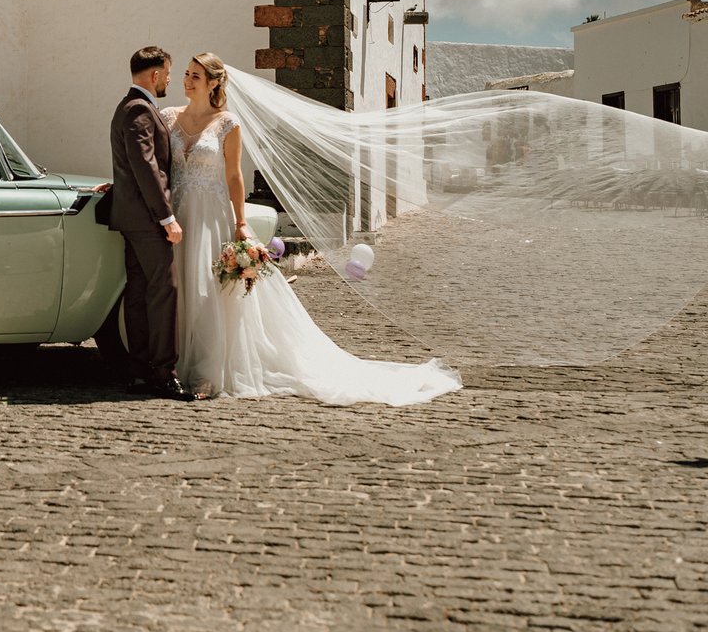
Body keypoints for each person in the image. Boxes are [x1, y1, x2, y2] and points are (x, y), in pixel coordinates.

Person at [164, 53, 461, 405]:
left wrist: (241, 223)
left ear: (214, 82)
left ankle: (207, 373)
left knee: (210, 291)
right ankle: (170, 365)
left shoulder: (227, 123)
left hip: (211, 214)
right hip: (176, 212)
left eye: (195, 75)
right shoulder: (168, 117)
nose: (187, 80)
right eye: (185, 74)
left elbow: (234, 176)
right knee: (178, 287)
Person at [107, 47, 190, 401]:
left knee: (140, 295)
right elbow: (146, 167)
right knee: (163, 293)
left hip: (131, 218)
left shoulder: (126, 107)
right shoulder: (140, 109)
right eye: (168, 73)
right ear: (155, 75)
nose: (170, 79)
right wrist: (166, 217)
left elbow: (131, 165)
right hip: (147, 220)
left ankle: (139, 373)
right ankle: (164, 374)